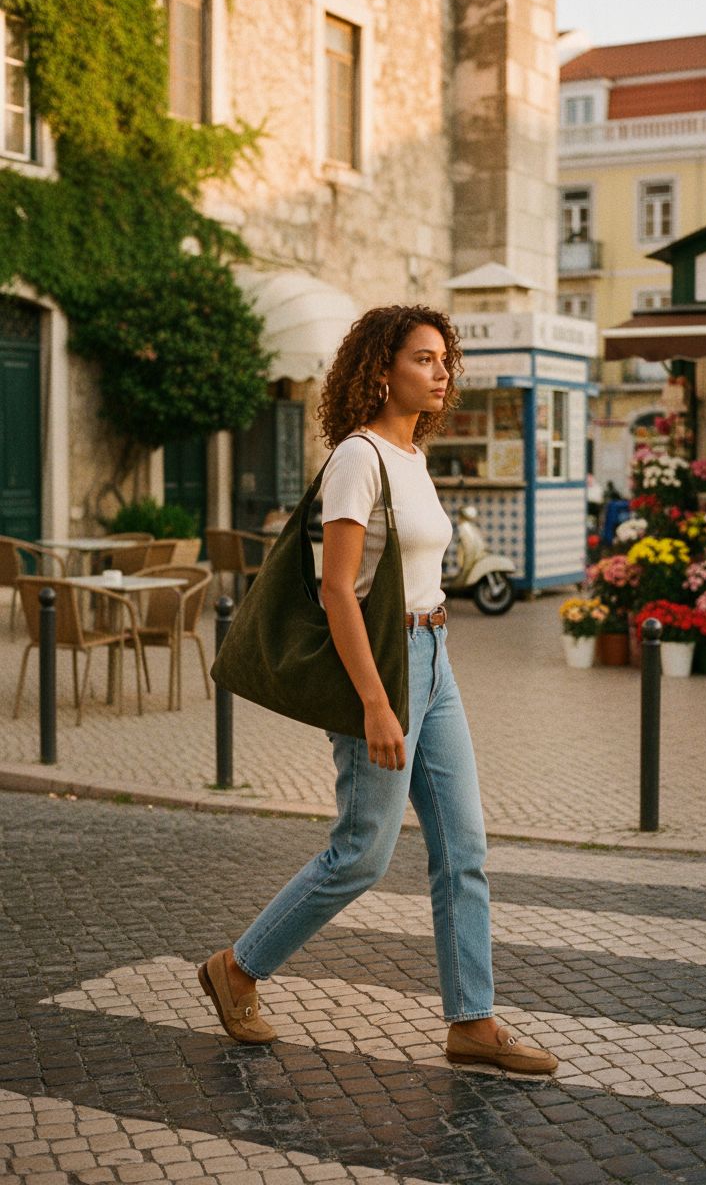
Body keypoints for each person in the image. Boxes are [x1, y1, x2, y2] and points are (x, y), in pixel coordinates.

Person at [198, 305, 557, 1076]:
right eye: (425, 359)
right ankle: (237, 968)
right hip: (384, 666)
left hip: (438, 655)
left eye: (443, 360)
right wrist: (374, 702)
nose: (441, 372)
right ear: (381, 369)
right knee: (363, 852)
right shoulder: (359, 458)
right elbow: (336, 591)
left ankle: (473, 1020)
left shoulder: (412, 453)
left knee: (464, 848)